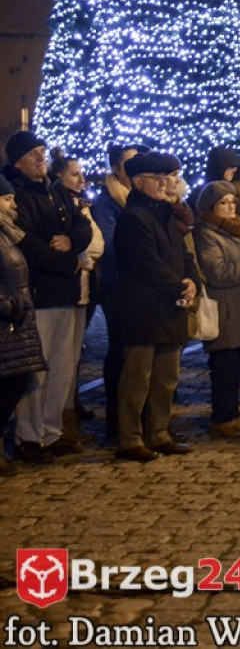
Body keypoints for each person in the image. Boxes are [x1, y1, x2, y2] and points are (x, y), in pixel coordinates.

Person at [3, 131, 93, 463]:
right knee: (36, 371)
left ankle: (51, 432)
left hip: (64, 293)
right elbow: (27, 243)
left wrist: (71, 242)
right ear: (17, 160)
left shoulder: (56, 191)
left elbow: (83, 227)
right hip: (38, 294)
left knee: (62, 369)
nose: (41, 157)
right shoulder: (15, 193)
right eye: (34, 153)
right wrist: (68, 261)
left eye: (42, 151)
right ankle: (29, 437)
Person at [112, 152, 199, 462]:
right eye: (157, 178)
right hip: (143, 309)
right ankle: (130, 438)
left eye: (167, 177)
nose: (166, 183)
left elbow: (183, 254)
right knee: (137, 378)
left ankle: (159, 432)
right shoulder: (133, 217)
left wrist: (191, 282)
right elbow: (146, 263)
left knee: (166, 377)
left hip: (170, 306)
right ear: (138, 181)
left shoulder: (167, 213)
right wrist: (179, 285)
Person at [193, 181, 240, 438]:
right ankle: (223, 417)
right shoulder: (206, 233)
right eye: (223, 203)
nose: (229, 208)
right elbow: (218, 272)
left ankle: (236, 414)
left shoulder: (239, 230)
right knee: (225, 366)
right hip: (225, 306)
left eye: (232, 202)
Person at [92, 143, 149, 435]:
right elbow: (110, 245)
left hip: (143, 286)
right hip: (119, 285)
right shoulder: (108, 202)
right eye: (130, 162)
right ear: (116, 168)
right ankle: (117, 416)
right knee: (121, 351)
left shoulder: (142, 199)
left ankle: (143, 417)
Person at [49, 151, 105, 436]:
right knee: (57, 360)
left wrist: (80, 246)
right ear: (59, 176)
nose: (82, 179)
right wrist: (79, 250)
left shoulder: (81, 206)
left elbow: (95, 246)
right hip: (64, 288)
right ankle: (58, 420)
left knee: (72, 357)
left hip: (83, 288)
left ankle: (68, 410)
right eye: (74, 174)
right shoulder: (59, 205)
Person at [0, 175, 46, 472]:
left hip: (15, 321)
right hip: (8, 318)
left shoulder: (8, 233)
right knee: (9, 383)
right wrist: (9, 304)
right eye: (6, 199)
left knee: (16, 380)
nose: (13, 203)